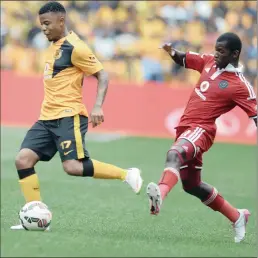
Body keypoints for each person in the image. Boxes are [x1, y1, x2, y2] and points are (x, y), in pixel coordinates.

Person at [11, 1, 143, 230]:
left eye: (47, 23)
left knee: (72, 167)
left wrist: (98, 106)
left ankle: (127, 174)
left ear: (61, 21)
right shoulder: (53, 46)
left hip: (68, 116)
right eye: (41, 24)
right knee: (23, 159)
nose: (43, 28)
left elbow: (102, 75)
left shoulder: (76, 47)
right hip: (46, 118)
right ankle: (36, 216)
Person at [146, 32, 257, 243]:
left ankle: (160, 194)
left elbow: (255, 114)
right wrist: (171, 52)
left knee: (175, 154)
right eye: (215, 49)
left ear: (234, 54)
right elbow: (184, 58)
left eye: (221, 51)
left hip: (202, 129)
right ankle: (237, 216)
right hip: (185, 128)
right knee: (192, 185)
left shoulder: (240, 85)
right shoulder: (208, 61)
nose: (215, 54)